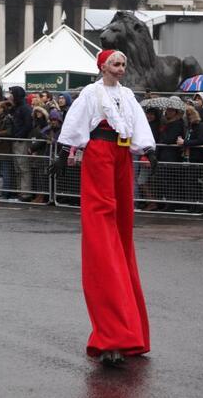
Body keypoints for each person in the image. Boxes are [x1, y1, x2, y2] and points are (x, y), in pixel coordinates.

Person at [49, 49, 157, 366]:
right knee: (101, 232)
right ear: (103, 66)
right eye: (115, 63)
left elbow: (137, 126)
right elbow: (76, 123)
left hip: (122, 155)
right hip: (98, 152)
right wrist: (62, 152)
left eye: (124, 63)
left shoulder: (127, 96)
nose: (121, 68)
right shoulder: (91, 93)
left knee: (122, 230)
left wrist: (150, 149)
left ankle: (128, 331)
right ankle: (111, 333)